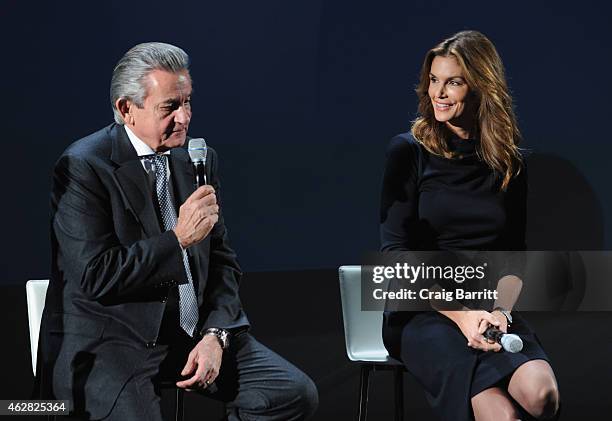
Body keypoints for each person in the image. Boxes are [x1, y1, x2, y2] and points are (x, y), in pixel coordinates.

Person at [38, 42, 318, 421]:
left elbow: (222, 262)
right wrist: (178, 240)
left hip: (191, 336)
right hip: (116, 343)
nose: (185, 117)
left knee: (291, 394)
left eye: (187, 102)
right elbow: (95, 276)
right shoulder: (84, 166)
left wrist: (216, 334)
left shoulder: (196, 159)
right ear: (126, 110)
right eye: (170, 106)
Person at [380, 31, 560, 421]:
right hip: (423, 311)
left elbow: (514, 258)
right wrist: (461, 315)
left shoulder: (510, 162)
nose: (438, 93)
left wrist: (500, 312)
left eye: (453, 82)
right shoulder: (408, 151)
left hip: (489, 307)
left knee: (542, 395)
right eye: (433, 80)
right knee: (502, 416)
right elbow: (395, 256)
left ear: (481, 87)